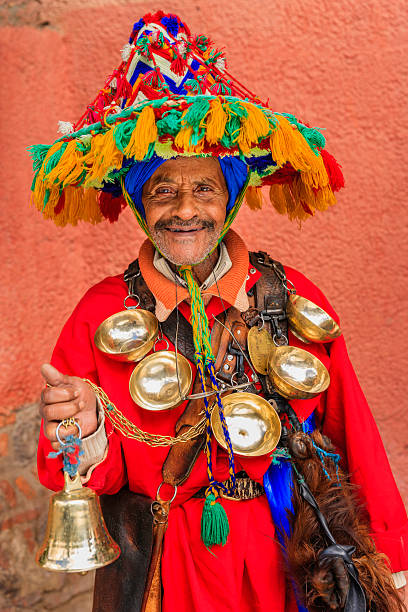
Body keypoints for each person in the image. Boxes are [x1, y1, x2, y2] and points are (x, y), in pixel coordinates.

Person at [32, 11, 407, 612]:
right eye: (163, 190)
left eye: (204, 188)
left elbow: (352, 432)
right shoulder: (99, 313)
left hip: (290, 557)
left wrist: (392, 560)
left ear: (230, 197)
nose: (186, 209)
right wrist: (83, 434)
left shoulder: (287, 295)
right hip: (167, 567)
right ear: (136, 202)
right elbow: (77, 476)